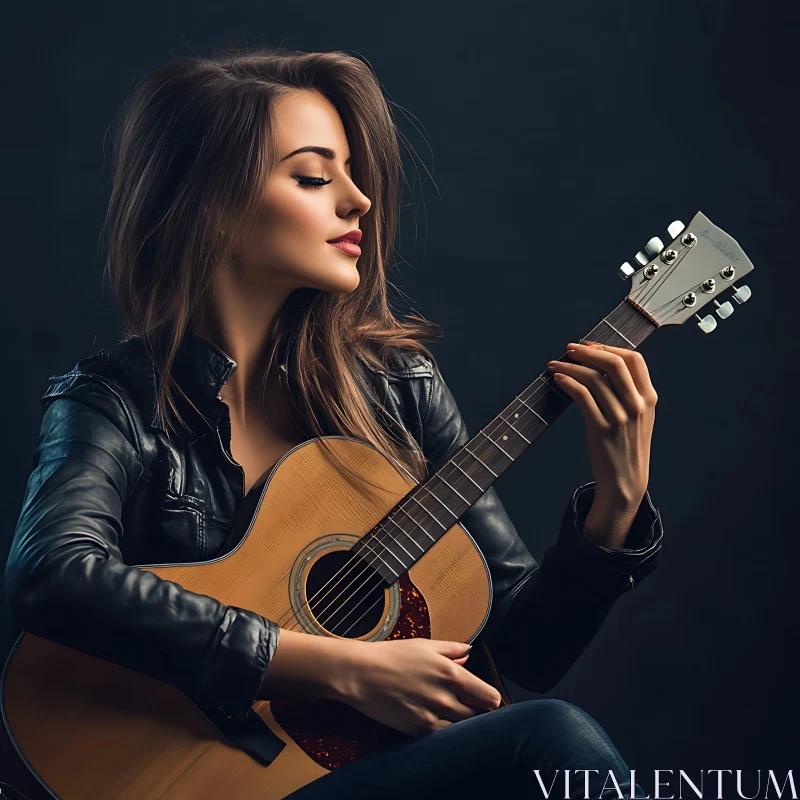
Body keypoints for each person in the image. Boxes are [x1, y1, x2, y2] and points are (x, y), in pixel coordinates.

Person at [5, 48, 663, 798]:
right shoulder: (113, 403)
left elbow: (519, 652)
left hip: (347, 777)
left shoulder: (398, 390)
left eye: (352, 172)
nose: (359, 200)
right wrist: (342, 668)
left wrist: (615, 507)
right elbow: (51, 576)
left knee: (550, 739)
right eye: (315, 177)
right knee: (556, 738)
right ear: (211, 202)